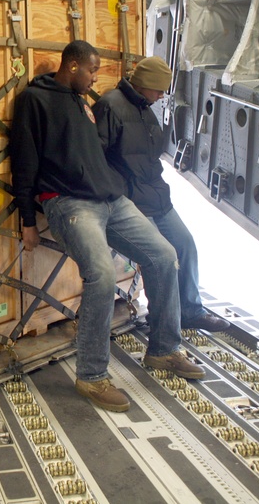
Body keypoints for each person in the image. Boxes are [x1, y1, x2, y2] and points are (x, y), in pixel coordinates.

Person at [9, 40, 204, 413]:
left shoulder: (80, 101)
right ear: (71, 66)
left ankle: (163, 350)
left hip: (111, 200)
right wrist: (28, 219)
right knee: (100, 274)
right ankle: (92, 376)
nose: (96, 78)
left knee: (165, 255)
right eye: (92, 70)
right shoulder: (34, 101)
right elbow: (25, 162)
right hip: (68, 202)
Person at [92, 57, 230, 332]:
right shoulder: (111, 106)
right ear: (144, 85)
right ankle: (162, 320)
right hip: (131, 202)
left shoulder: (146, 109)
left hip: (157, 197)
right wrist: (118, 192)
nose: (161, 96)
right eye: (158, 90)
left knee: (186, 245)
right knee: (159, 257)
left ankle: (190, 311)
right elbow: (96, 158)